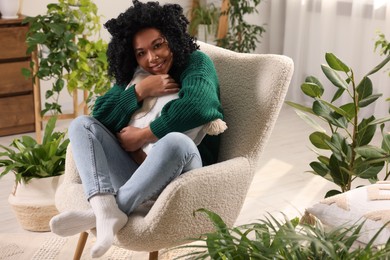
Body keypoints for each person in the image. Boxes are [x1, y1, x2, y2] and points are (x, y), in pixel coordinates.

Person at [49, 0, 225, 258]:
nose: (151, 58)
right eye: (141, 52)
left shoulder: (196, 63)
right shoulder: (139, 75)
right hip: (135, 173)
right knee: (81, 125)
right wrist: (140, 91)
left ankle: (100, 214)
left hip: (184, 175)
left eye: (158, 45)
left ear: (172, 38)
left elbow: (198, 106)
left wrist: (144, 135)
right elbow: (100, 115)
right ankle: (104, 206)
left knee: (176, 141)